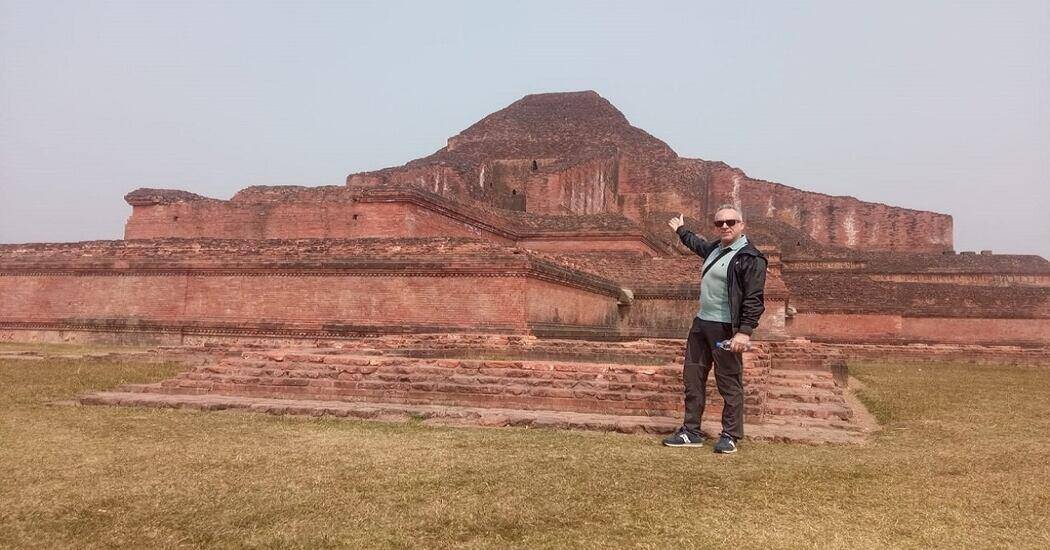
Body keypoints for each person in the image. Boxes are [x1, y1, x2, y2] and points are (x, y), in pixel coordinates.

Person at [662, 204, 767, 454]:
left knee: (728, 381)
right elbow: (696, 244)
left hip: (725, 329)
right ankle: (691, 431)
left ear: (741, 225)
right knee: (693, 378)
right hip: (701, 325)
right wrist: (681, 230)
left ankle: (730, 435)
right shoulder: (715, 250)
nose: (725, 227)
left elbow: (754, 298)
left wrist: (744, 332)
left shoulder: (750, 257)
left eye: (730, 222)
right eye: (719, 223)